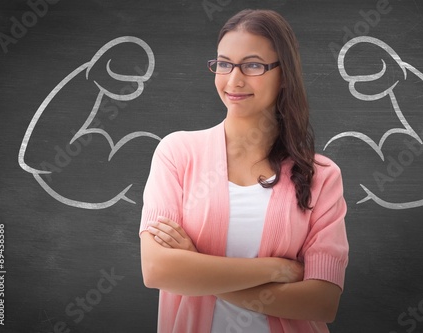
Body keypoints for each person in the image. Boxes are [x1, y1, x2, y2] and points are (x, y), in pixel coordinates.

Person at [139, 8, 349, 333]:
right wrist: (276, 270)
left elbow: (322, 302)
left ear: (284, 75)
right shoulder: (177, 153)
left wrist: (196, 267)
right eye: (224, 64)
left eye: (252, 65)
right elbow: (157, 269)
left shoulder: (321, 174)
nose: (234, 80)